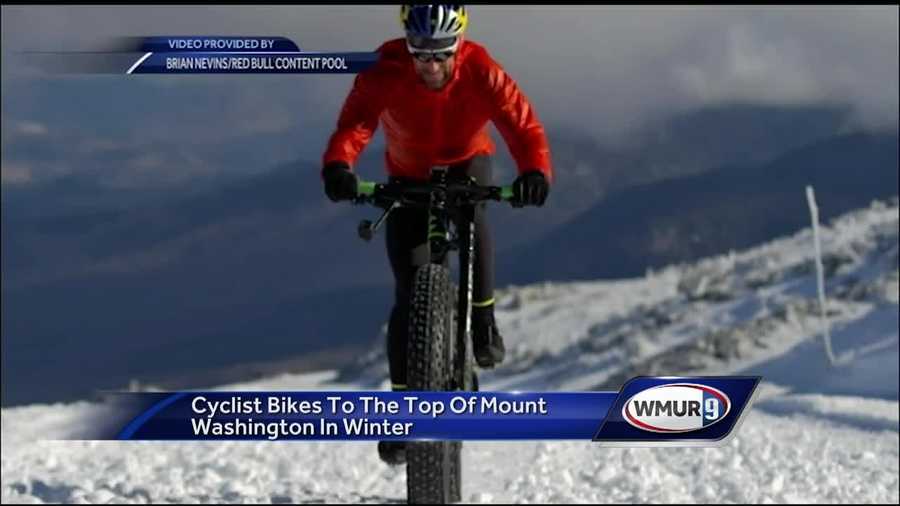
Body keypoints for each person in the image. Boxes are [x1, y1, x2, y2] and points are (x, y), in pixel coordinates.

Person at [320, 4, 553, 464]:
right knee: (409, 295)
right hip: (406, 176)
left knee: (474, 215)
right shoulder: (384, 68)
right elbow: (356, 123)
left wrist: (535, 171)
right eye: (420, 52)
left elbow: (522, 125)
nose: (429, 64)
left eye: (441, 54)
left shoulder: (483, 70)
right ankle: (402, 414)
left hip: (468, 163)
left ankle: (482, 321)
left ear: (459, 46)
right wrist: (338, 165)